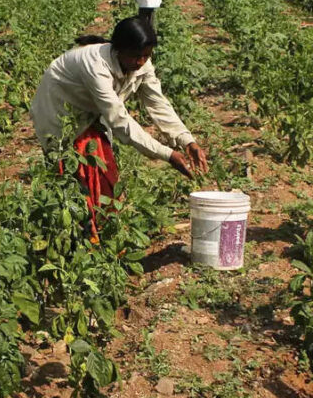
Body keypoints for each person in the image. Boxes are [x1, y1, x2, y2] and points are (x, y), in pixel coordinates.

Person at [31, 16, 208, 240]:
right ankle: (76, 240)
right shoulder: (95, 65)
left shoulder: (141, 65)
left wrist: (186, 140)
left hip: (91, 114)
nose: (141, 62)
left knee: (102, 177)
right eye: (136, 56)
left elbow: (157, 103)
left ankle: (99, 237)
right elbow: (119, 121)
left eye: (146, 55)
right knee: (72, 179)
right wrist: (167, 154)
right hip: (59, 113)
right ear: (119, 50)